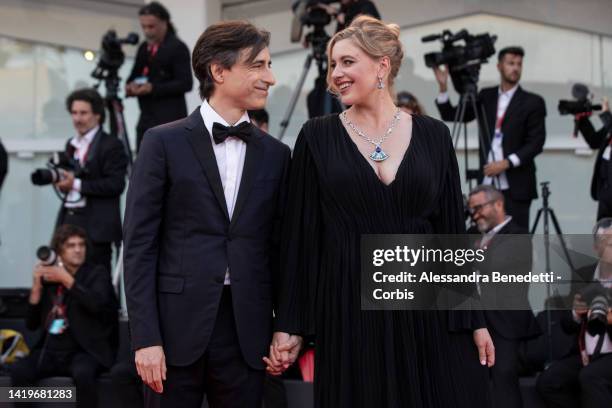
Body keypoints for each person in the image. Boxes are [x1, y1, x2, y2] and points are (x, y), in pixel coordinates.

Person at [265, 16, 494, 408]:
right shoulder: (316, 137)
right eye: (333, 64)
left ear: (382, 66)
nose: (336, 74)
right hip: (348, 309)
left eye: (347, 62)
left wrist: (474, 318)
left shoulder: (435, 135)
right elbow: (300, 239)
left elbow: (451, 234)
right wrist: (290, 324)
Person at [123, 20, 291, 408]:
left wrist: (286, 327)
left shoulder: (277, 155)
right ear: (219, 70)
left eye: (269, 65)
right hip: (171, 331)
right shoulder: (161, 142)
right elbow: (139, 247)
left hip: (247, 335)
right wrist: (145, 337)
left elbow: (282, 250)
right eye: (259, 66)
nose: (270, 77)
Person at [433, 46, 547, 230]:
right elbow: (454, 115)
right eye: (510, 63)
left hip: (516, 185)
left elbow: (536, 142)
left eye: (519, 64)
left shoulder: (532, 101)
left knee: (516, 240)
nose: (515, 68)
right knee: (483, 238)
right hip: (487, 183)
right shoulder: (487, 95)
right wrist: (443, 87)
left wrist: (507, 163)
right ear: (499, 66)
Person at [9, 224, 118, 408]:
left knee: (84, 374)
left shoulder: (97, 273)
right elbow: (32, 324)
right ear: (59, 251)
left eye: (81, 245)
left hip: (84, 351)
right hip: (51, 350)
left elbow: (96, 305)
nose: (78, 250)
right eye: (71, 245)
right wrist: (36, 287)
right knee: (19, 371)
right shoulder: (50, 277)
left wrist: (66, 279)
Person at [467, 185, 541, 408]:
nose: (475, 214)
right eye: (471, 210)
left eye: (479, 207)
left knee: (503, 378)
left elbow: (495, 266)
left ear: (498, 204)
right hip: (475, 320)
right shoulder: (471, 235)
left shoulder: (518, 235)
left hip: (506, 322)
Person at [536, 217, 612, 408]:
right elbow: (566, 325)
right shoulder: (583, 274)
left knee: (590, 376)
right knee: (548, 382)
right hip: (584, 353)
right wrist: (575, 314)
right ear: (596, 247)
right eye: (608, 242)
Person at [55, 88, 128, 273]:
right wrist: (63, 183)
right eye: (74, 113)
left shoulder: (111, 145)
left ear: (97, 115)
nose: (77, 118)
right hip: (70, 224)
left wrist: (76, 184)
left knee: (97, 287)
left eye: (83, 113)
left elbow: (116, 184)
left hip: (97, 231)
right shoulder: (71, 144)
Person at [126, 1, 193, 151]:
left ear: (165, 23)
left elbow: (185, 83)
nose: (147, 31)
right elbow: (134, 74)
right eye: (143, 27)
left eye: (151, 26)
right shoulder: (144, 48)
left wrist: (153, 88)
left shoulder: (177, 47)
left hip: (170, 120)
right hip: (146, 118)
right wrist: (130, 86)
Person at [575, 97, 612, 220]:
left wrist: (606, 114)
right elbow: (594, 141)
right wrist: (582, 118)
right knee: (603, 233)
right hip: (606, 194)